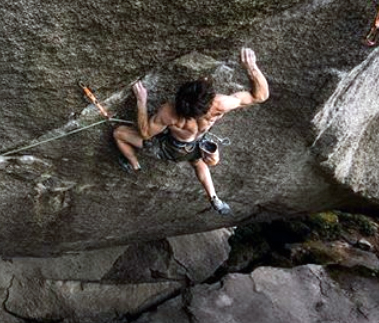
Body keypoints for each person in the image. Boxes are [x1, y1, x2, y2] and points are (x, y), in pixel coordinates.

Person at [113, 48, 269, 215]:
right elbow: (260, 96)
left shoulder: (169, 112)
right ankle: (214, 197)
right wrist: (251, 67)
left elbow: (145, 133)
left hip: (170, 149)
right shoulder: (219, 105)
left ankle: (135, 165)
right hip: (196, 146)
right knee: (197, 162)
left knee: (119, 133)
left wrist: (141, 101)